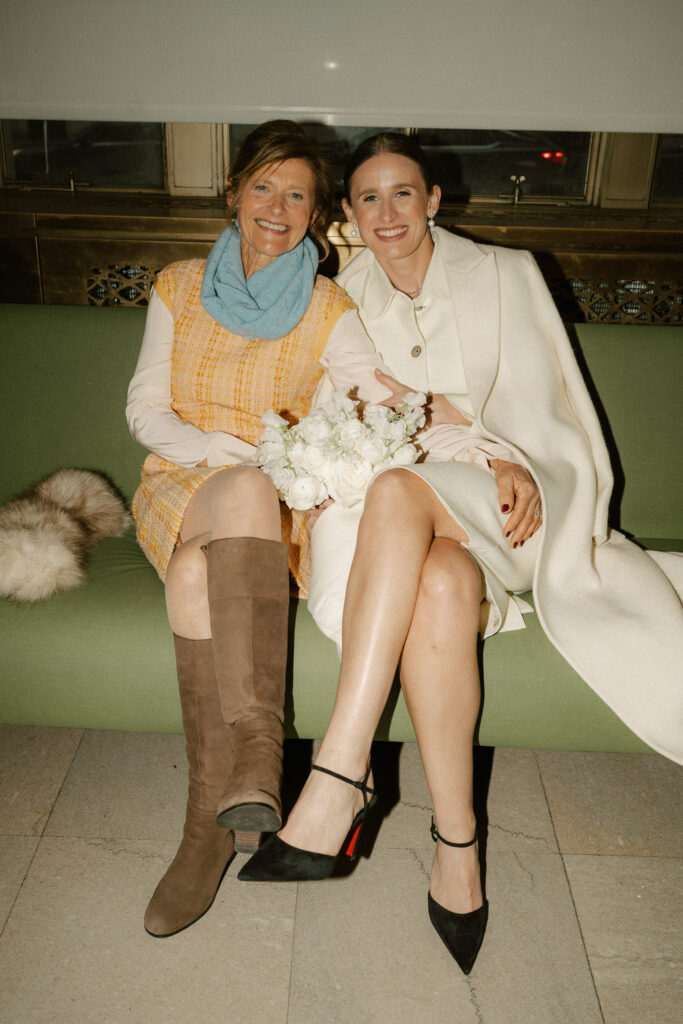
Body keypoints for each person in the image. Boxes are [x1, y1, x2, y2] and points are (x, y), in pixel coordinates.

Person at [238, 133, 683, 975]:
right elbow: (349, 412)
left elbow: (561, 408)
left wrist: (511, 462)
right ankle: (457, 847)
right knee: (439, 584)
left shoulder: (505, 274)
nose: (386, 213)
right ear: (348, 216)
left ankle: (340, 769)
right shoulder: (342, 294)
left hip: (515, 505)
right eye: (367, 199)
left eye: (402, 194)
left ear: (433, 199)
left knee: (403, 490)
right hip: (414, 529)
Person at [126, 121, 388, 938]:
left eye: (298, 194)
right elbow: (144, 410)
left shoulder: (329, 306)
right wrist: (219, 450)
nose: (278, 206)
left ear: (315, 215)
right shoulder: (176, 285)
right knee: (234, 482)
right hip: (181, 480)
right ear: (235, 193)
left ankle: (210, 811)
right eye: (264, 187)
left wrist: (326, 472)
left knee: (198, 571)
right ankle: (259, 756)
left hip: (273, 514)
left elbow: (371, 404)